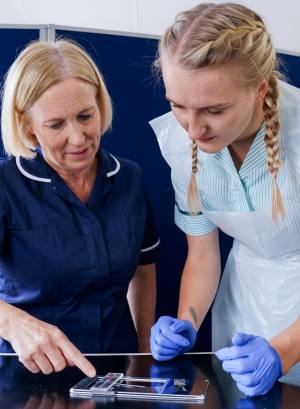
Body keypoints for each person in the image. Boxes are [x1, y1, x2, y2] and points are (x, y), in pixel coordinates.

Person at [149, 2, 300, 397]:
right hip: (243, 302)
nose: (193, 128)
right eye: (178, 105)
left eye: (213, 110)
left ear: (261, 89)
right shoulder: (182, 145)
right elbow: (202, 255)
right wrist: (187, 321)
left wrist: (284, 352)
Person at [0, 39, 159, 376]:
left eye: (85, 116)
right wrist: (12, 323)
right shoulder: (6, 186)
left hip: (117, 369)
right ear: (27, 124)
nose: (78, 137)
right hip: (28, 376)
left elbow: (144, 269)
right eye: (56, 125)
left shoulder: (128, 178)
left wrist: (144, 354)